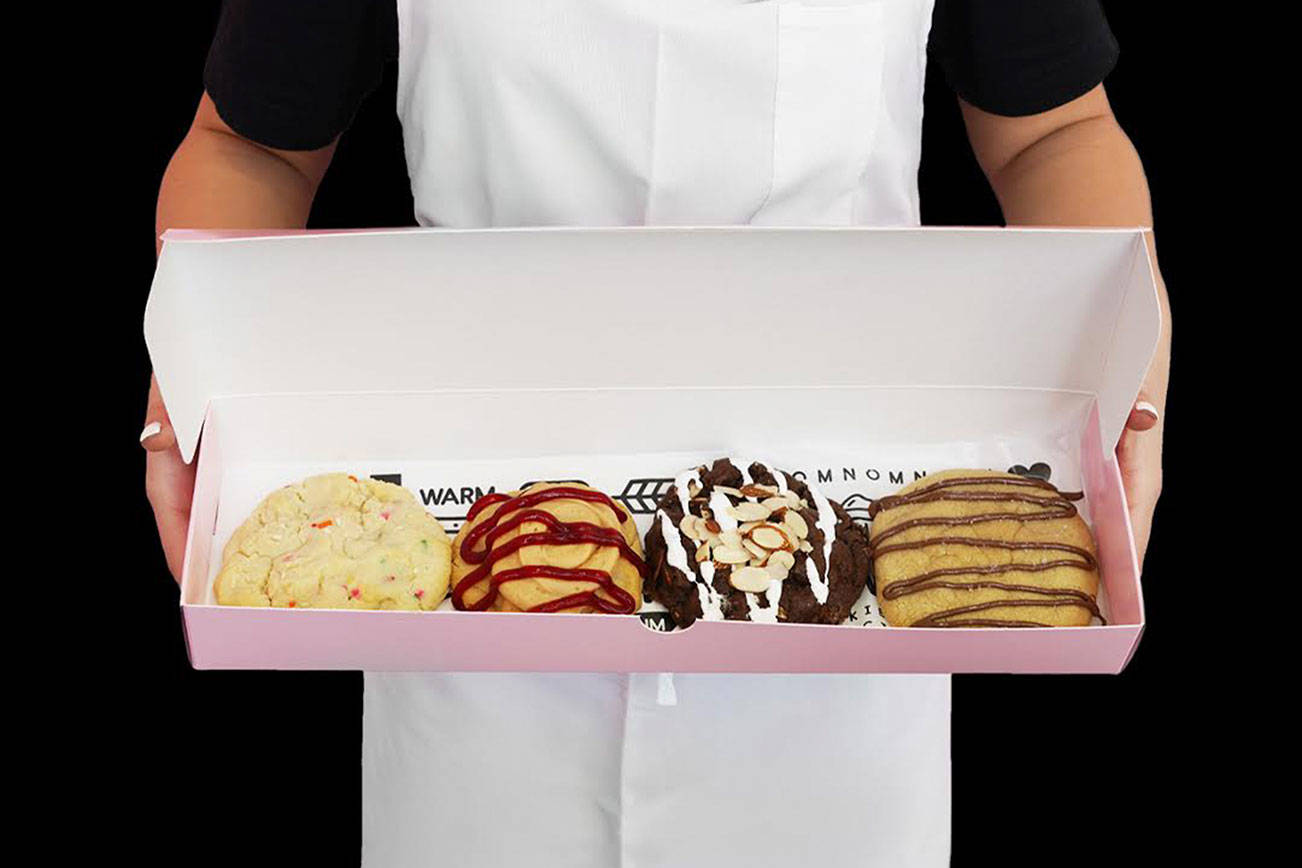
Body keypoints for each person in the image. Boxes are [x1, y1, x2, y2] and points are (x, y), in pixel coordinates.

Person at [142, 2, 1169, 865]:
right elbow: (253, 144)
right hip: (476, 602)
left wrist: (1127, 357)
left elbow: (1053, 131)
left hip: (835, 637)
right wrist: (192, 367)